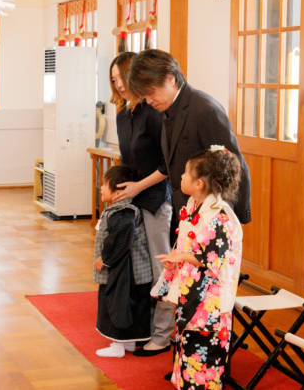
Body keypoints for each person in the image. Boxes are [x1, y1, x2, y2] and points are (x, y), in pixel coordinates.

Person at [127, 49, 251, 226]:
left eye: (151, 92)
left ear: (170, 78)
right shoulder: (167, 108)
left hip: (211, 215)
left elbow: (233, 162)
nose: (148, 101)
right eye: (144, 96)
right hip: (184, 209)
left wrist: (233, 217)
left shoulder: (205, 109)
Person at [154, 146, 243, 389]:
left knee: (204, 362)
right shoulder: (194, 207)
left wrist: (182, 255)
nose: (181, 177)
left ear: (200, 183)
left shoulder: (221, 217)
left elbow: (209, 257)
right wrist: (177, 258)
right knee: (187, 353)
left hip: (209, 303)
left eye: (185, 173)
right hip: (193, 296)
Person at [107, 52, 174, 357]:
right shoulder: (123, 115)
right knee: (138, 268)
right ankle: (140, 328)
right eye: (113, 80)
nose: (118, 85)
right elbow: (128, 160)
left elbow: (166, 164)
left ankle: (163, 335)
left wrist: (138, 188)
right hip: (131, 199)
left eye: (121, 78)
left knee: (161, 268)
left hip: (156, 199)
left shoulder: (154, 113)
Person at [93, 165, 152, 358]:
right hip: (132, 272)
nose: (100, 188)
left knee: (119, 304)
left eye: (104, 185)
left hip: (124, 273)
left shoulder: (123, 212)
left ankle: (118, 344)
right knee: (132, 304)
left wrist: (105, 260)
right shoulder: (122, 209)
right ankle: (129, 342)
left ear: (119, 190)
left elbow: (119, 240)